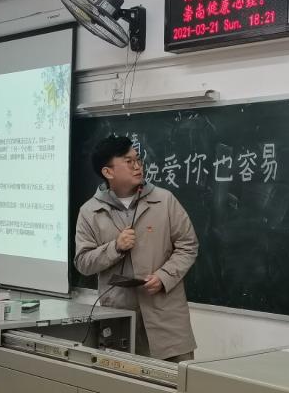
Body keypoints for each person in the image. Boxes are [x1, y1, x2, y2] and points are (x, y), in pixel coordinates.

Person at [75, 135, 198, 361]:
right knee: (125, 382)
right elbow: (83, 263)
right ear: (108, 172)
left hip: (167, 320)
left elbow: (188, 245)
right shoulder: (90, 212)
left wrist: (164, 276)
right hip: (119, 319)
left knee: (177, 381)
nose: (137, 166)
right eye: (128, 161)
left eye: (138, 159)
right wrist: (115, 247)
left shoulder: (165, 200)